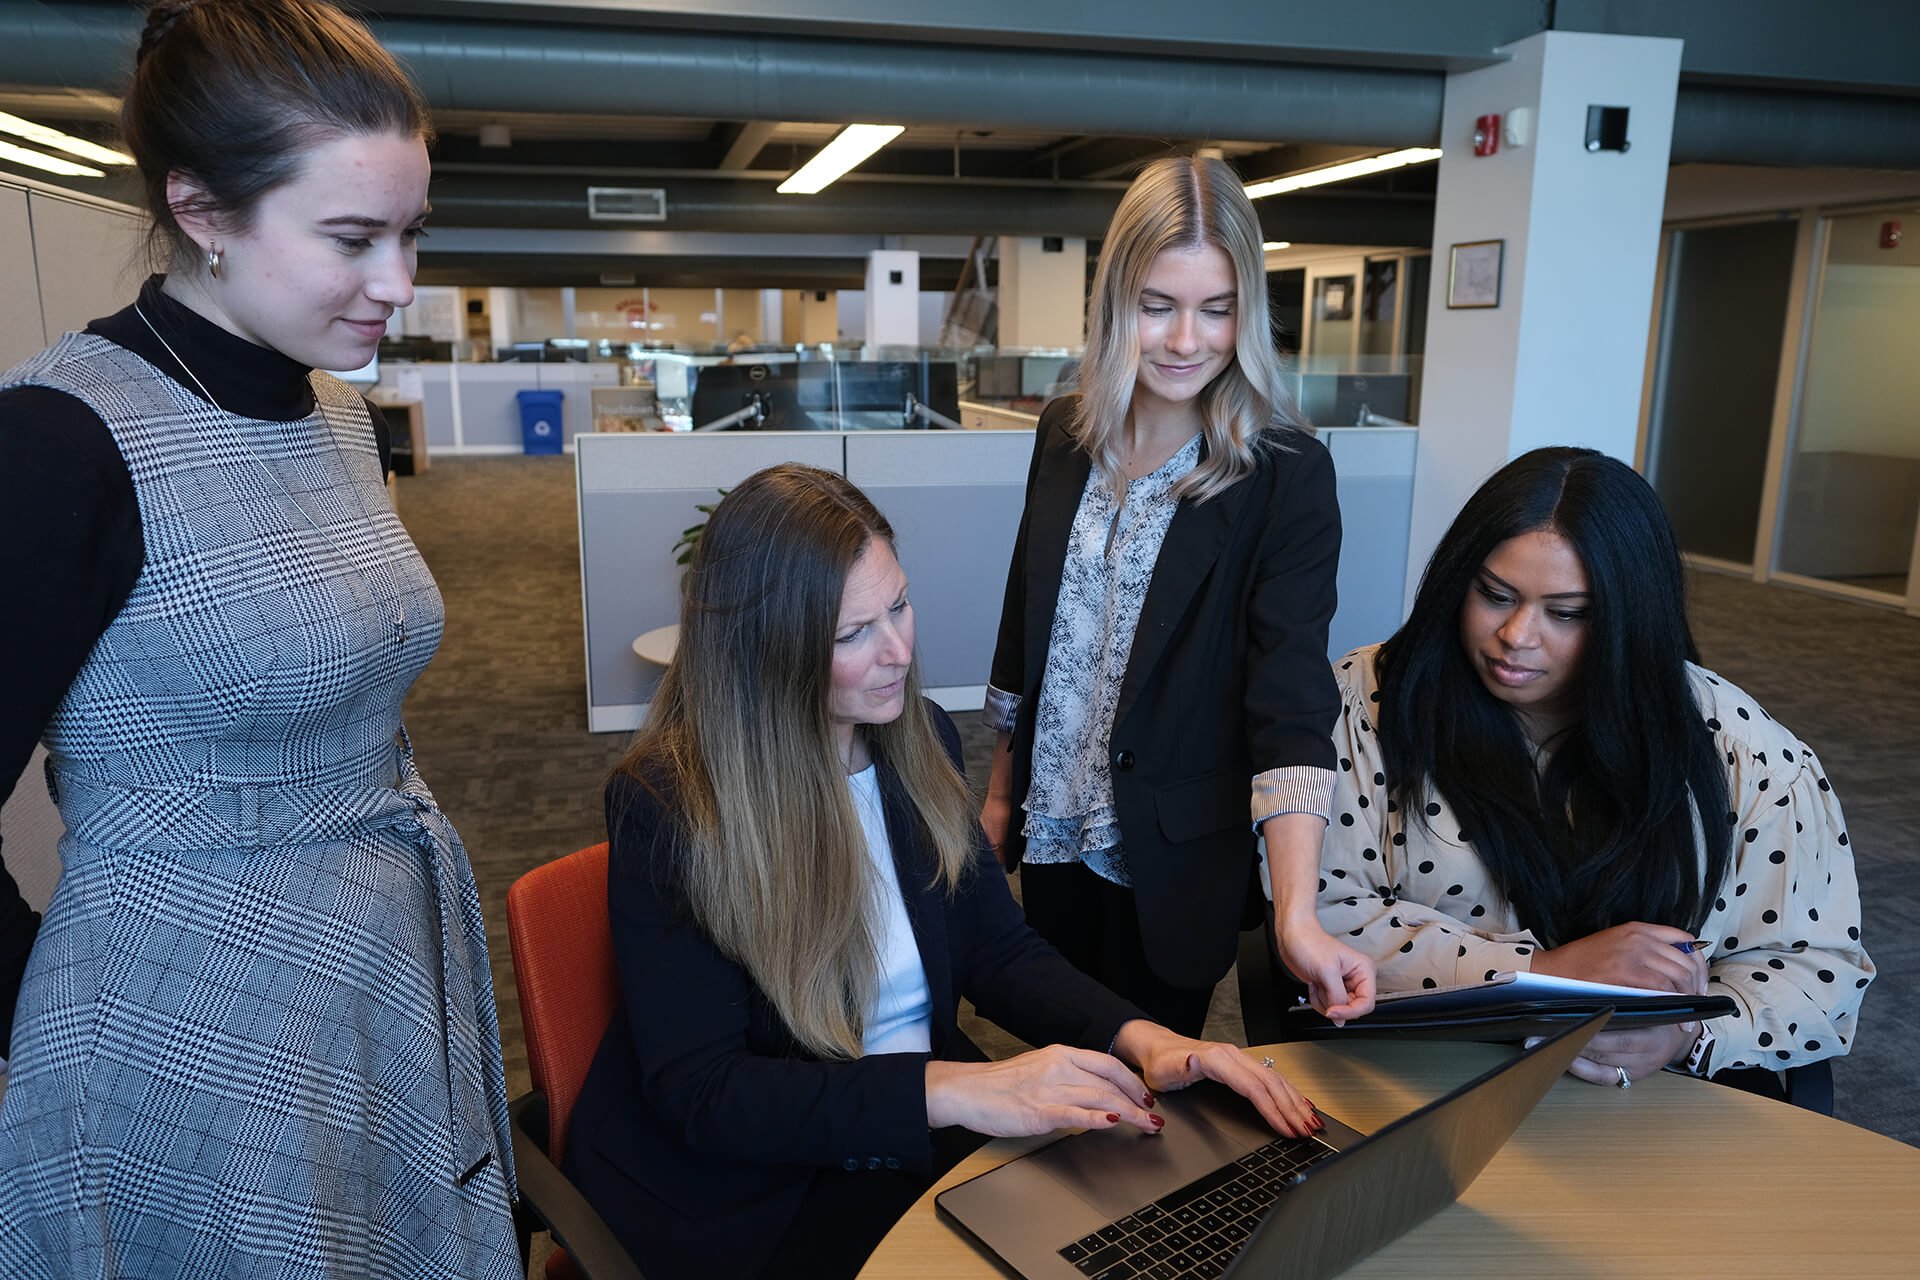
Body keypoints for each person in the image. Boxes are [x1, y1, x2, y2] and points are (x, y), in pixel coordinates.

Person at [0, 3, 519, 1275]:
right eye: (353, 237)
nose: (399, 282)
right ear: (204, 210)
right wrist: (67, 1012)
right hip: (186, 1030)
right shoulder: (63, 438)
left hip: (373, 982)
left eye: (411, 234)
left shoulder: (338, 412)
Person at [563, 464, 1324, 1279]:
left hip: (911, 1126)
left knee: (1153, 1219)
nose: (899, 650)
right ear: (767, 648)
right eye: (853, 633)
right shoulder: (669, 804)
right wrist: (954, 1090)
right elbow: (708, 1094)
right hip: (756, 1187)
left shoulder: (911, 734)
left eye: (898, 606)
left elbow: (998, 950)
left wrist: (1148, 1041)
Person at [1317, 447, 1872, 1091]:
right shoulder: (1367, 701)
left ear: (1631, 619)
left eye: (1569, 613)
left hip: (1662, 1094)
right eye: (1495, 596)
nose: (1518, 636)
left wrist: (1686, 1035)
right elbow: (1326, 915)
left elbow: (1820, 971)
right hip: (1422, 1074)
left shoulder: (1740, 747)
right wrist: (1547, 970)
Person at [979, 154, 1374, 1036]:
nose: (1187, 340)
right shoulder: (1065, 432)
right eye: (1158, 306)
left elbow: (1290, 701)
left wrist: (1296, 912)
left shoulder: (1285, 474)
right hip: (1054, 829)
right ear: (1116, 299)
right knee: (1057, 1070)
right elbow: (1027, 619)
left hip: (1173, 857)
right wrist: (1003, 795)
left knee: (1151, 1109)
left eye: (1217, 309)